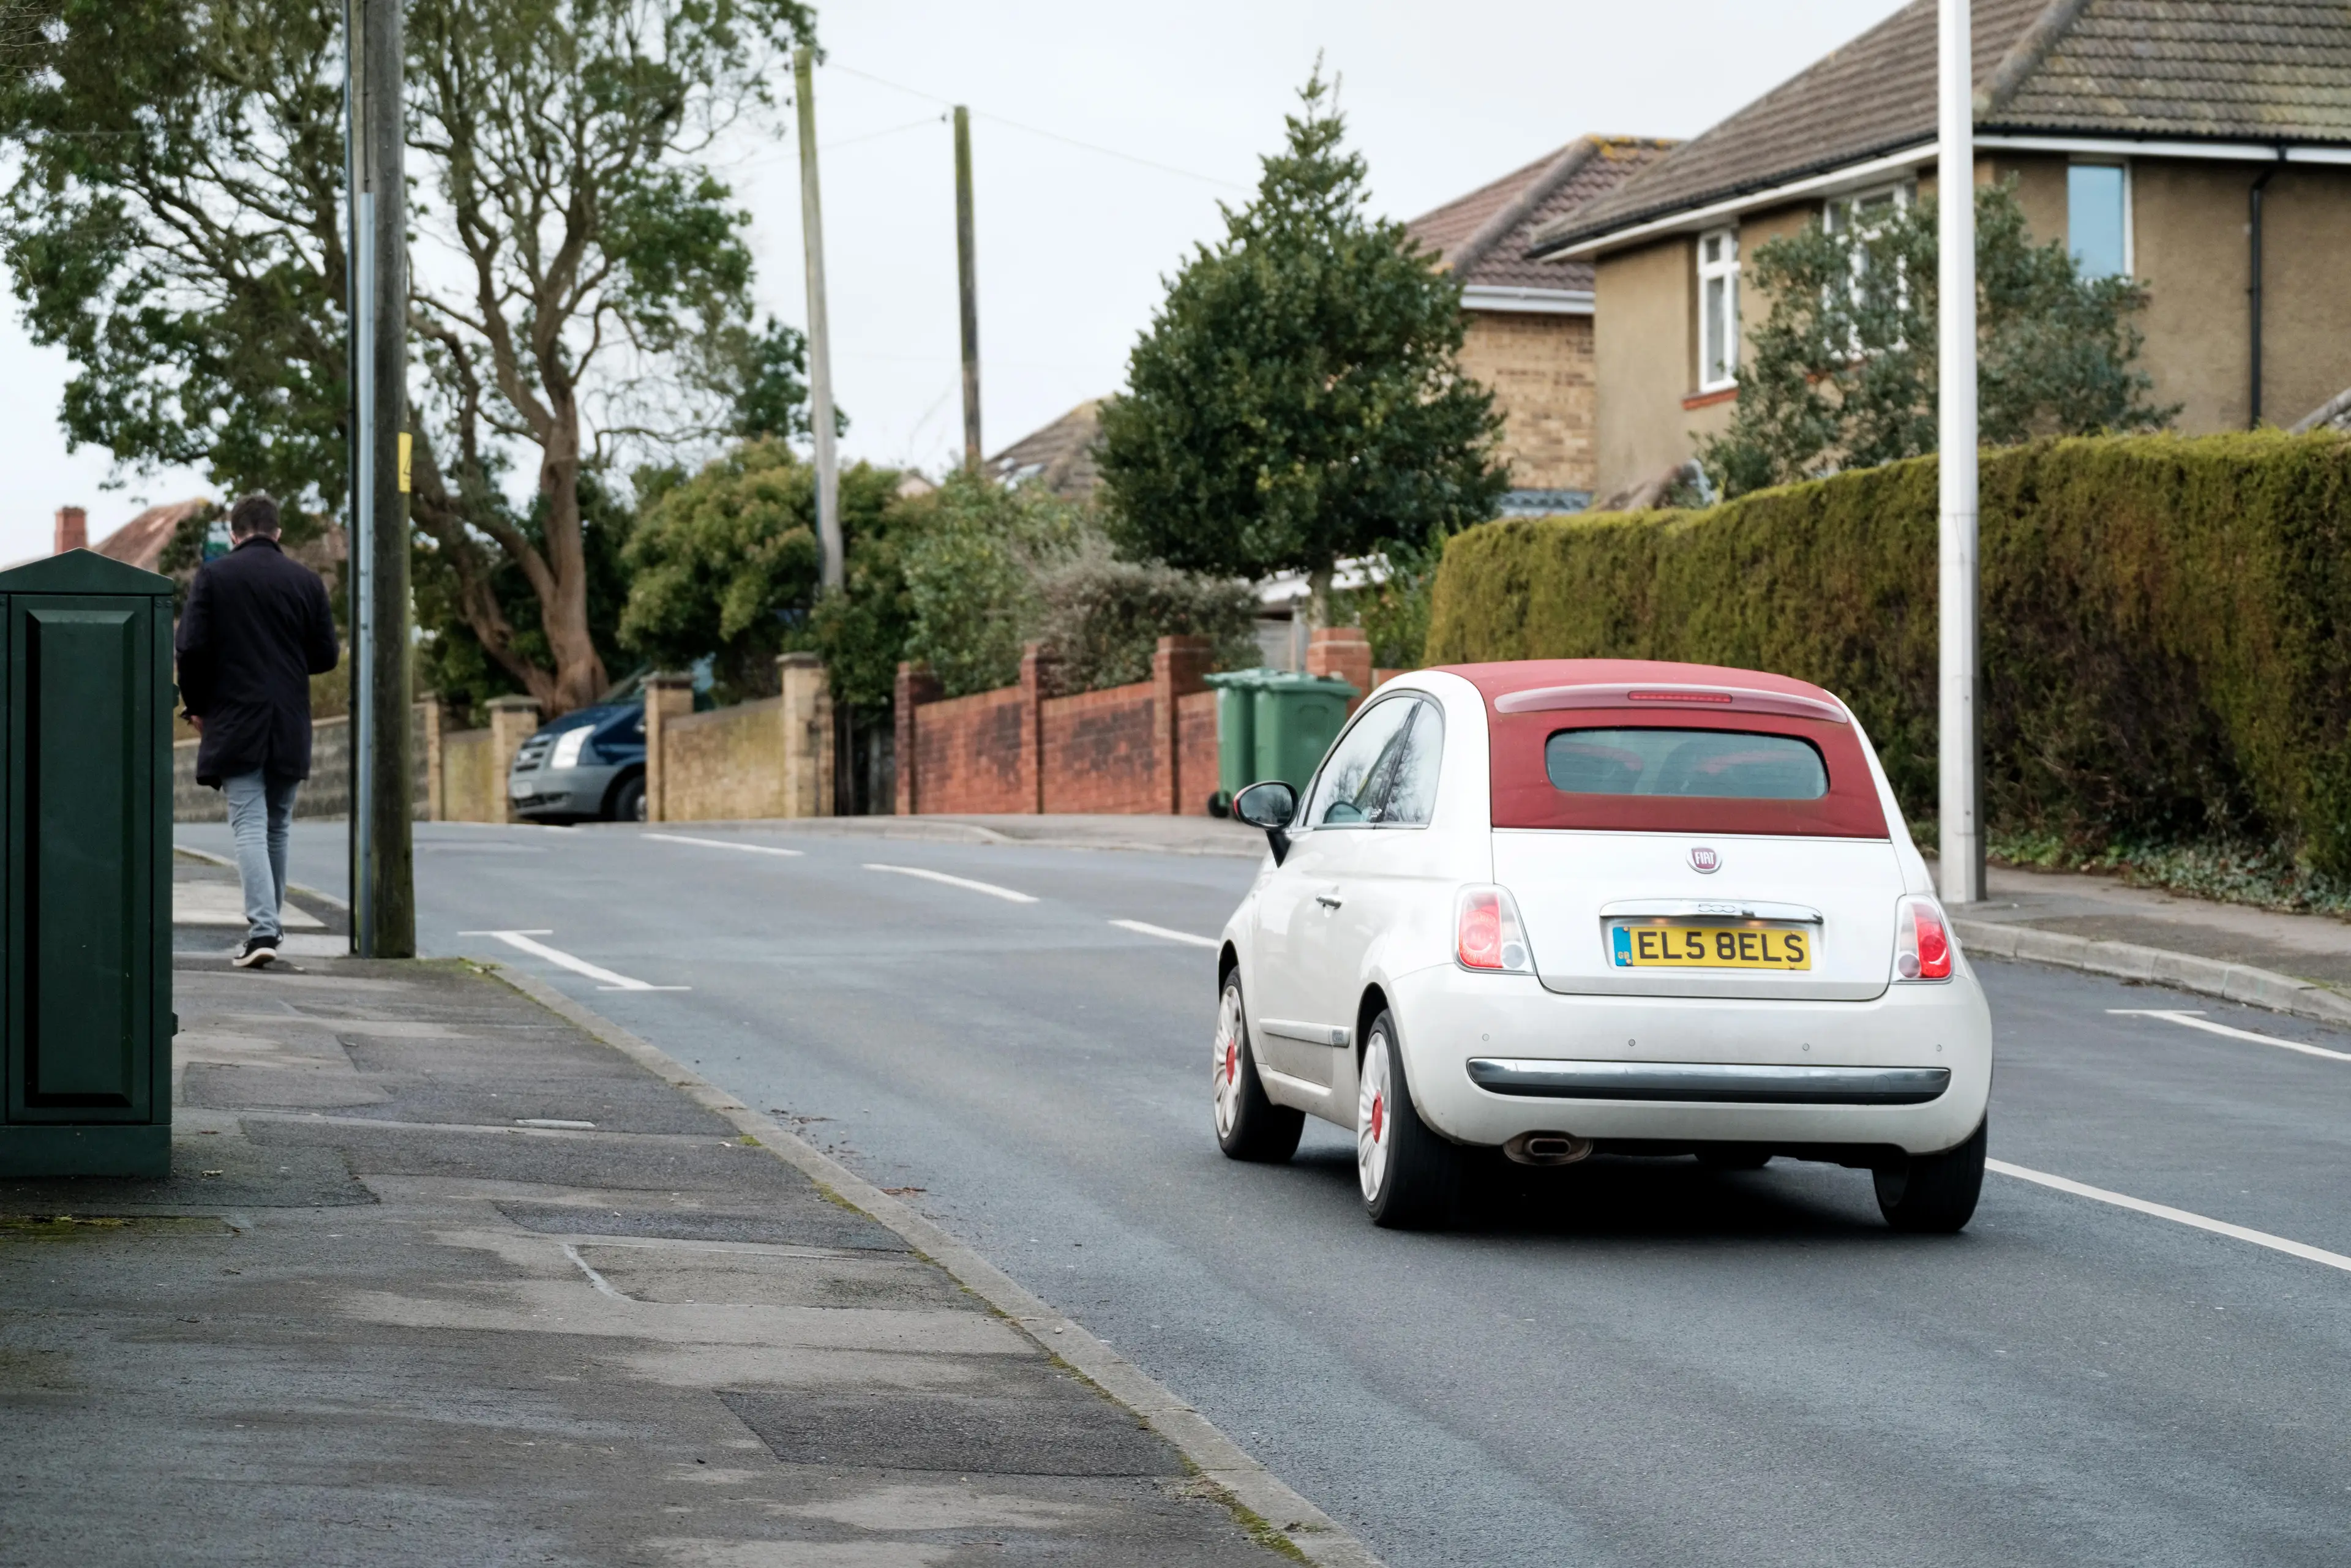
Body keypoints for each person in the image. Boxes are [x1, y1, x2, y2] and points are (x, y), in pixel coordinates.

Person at [175, 493, 340, 968]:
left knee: (248, 821)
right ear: (278, 532)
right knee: (277, 826)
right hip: (289, 717)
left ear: (234, 534)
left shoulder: (215, 576)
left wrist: (199, 706)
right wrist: (284, 662)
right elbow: (326, 655)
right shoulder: (306, 581)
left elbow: (189, 648)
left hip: (235, 715)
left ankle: (263, 929)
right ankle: (270, 927)